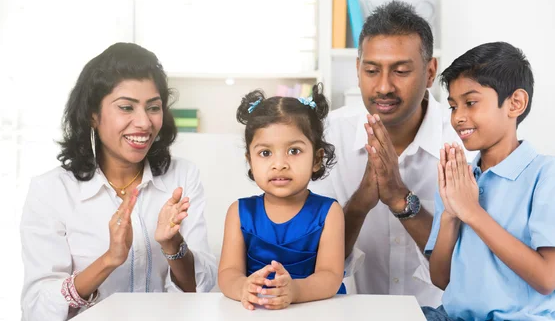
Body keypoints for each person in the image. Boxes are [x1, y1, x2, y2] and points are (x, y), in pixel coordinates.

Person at [20, 43, 217, 321]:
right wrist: (109, 260)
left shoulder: (182, 177)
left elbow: (200, 288)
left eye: (153, 107)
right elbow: (37, 307)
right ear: (93, 114)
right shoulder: (50, 191)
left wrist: (173, 246)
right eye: (126, 107)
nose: (144, 123)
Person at [310, 1, 465, 306]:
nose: (383, 87)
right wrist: (358, 205)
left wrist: (400, 199)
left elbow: (470, 268)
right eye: (371, 70)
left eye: (401, 71)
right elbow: (311, 264)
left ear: (430, 72)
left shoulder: (461, 141)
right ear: (358, 70)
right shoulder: (327, 138)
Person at [422, 42, 555, 320]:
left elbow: (547, 279)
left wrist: (472, 212)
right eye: (452, 106)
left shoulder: (547, 174)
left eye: (470, 102)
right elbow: (441, 279)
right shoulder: (459, 179)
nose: (458, 117)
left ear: (515, 103)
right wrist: (451, 215)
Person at [217, 83, 345, 310]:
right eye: (265, 153)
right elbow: (228, 274)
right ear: (250, 160)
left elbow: (330, 277)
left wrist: (295, 291)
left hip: (315, 311)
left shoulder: (329, 212)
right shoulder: (239, 213)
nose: (279, 165)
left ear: (316, 159)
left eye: (294, 151)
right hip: (255, 312)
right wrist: (243, 288)